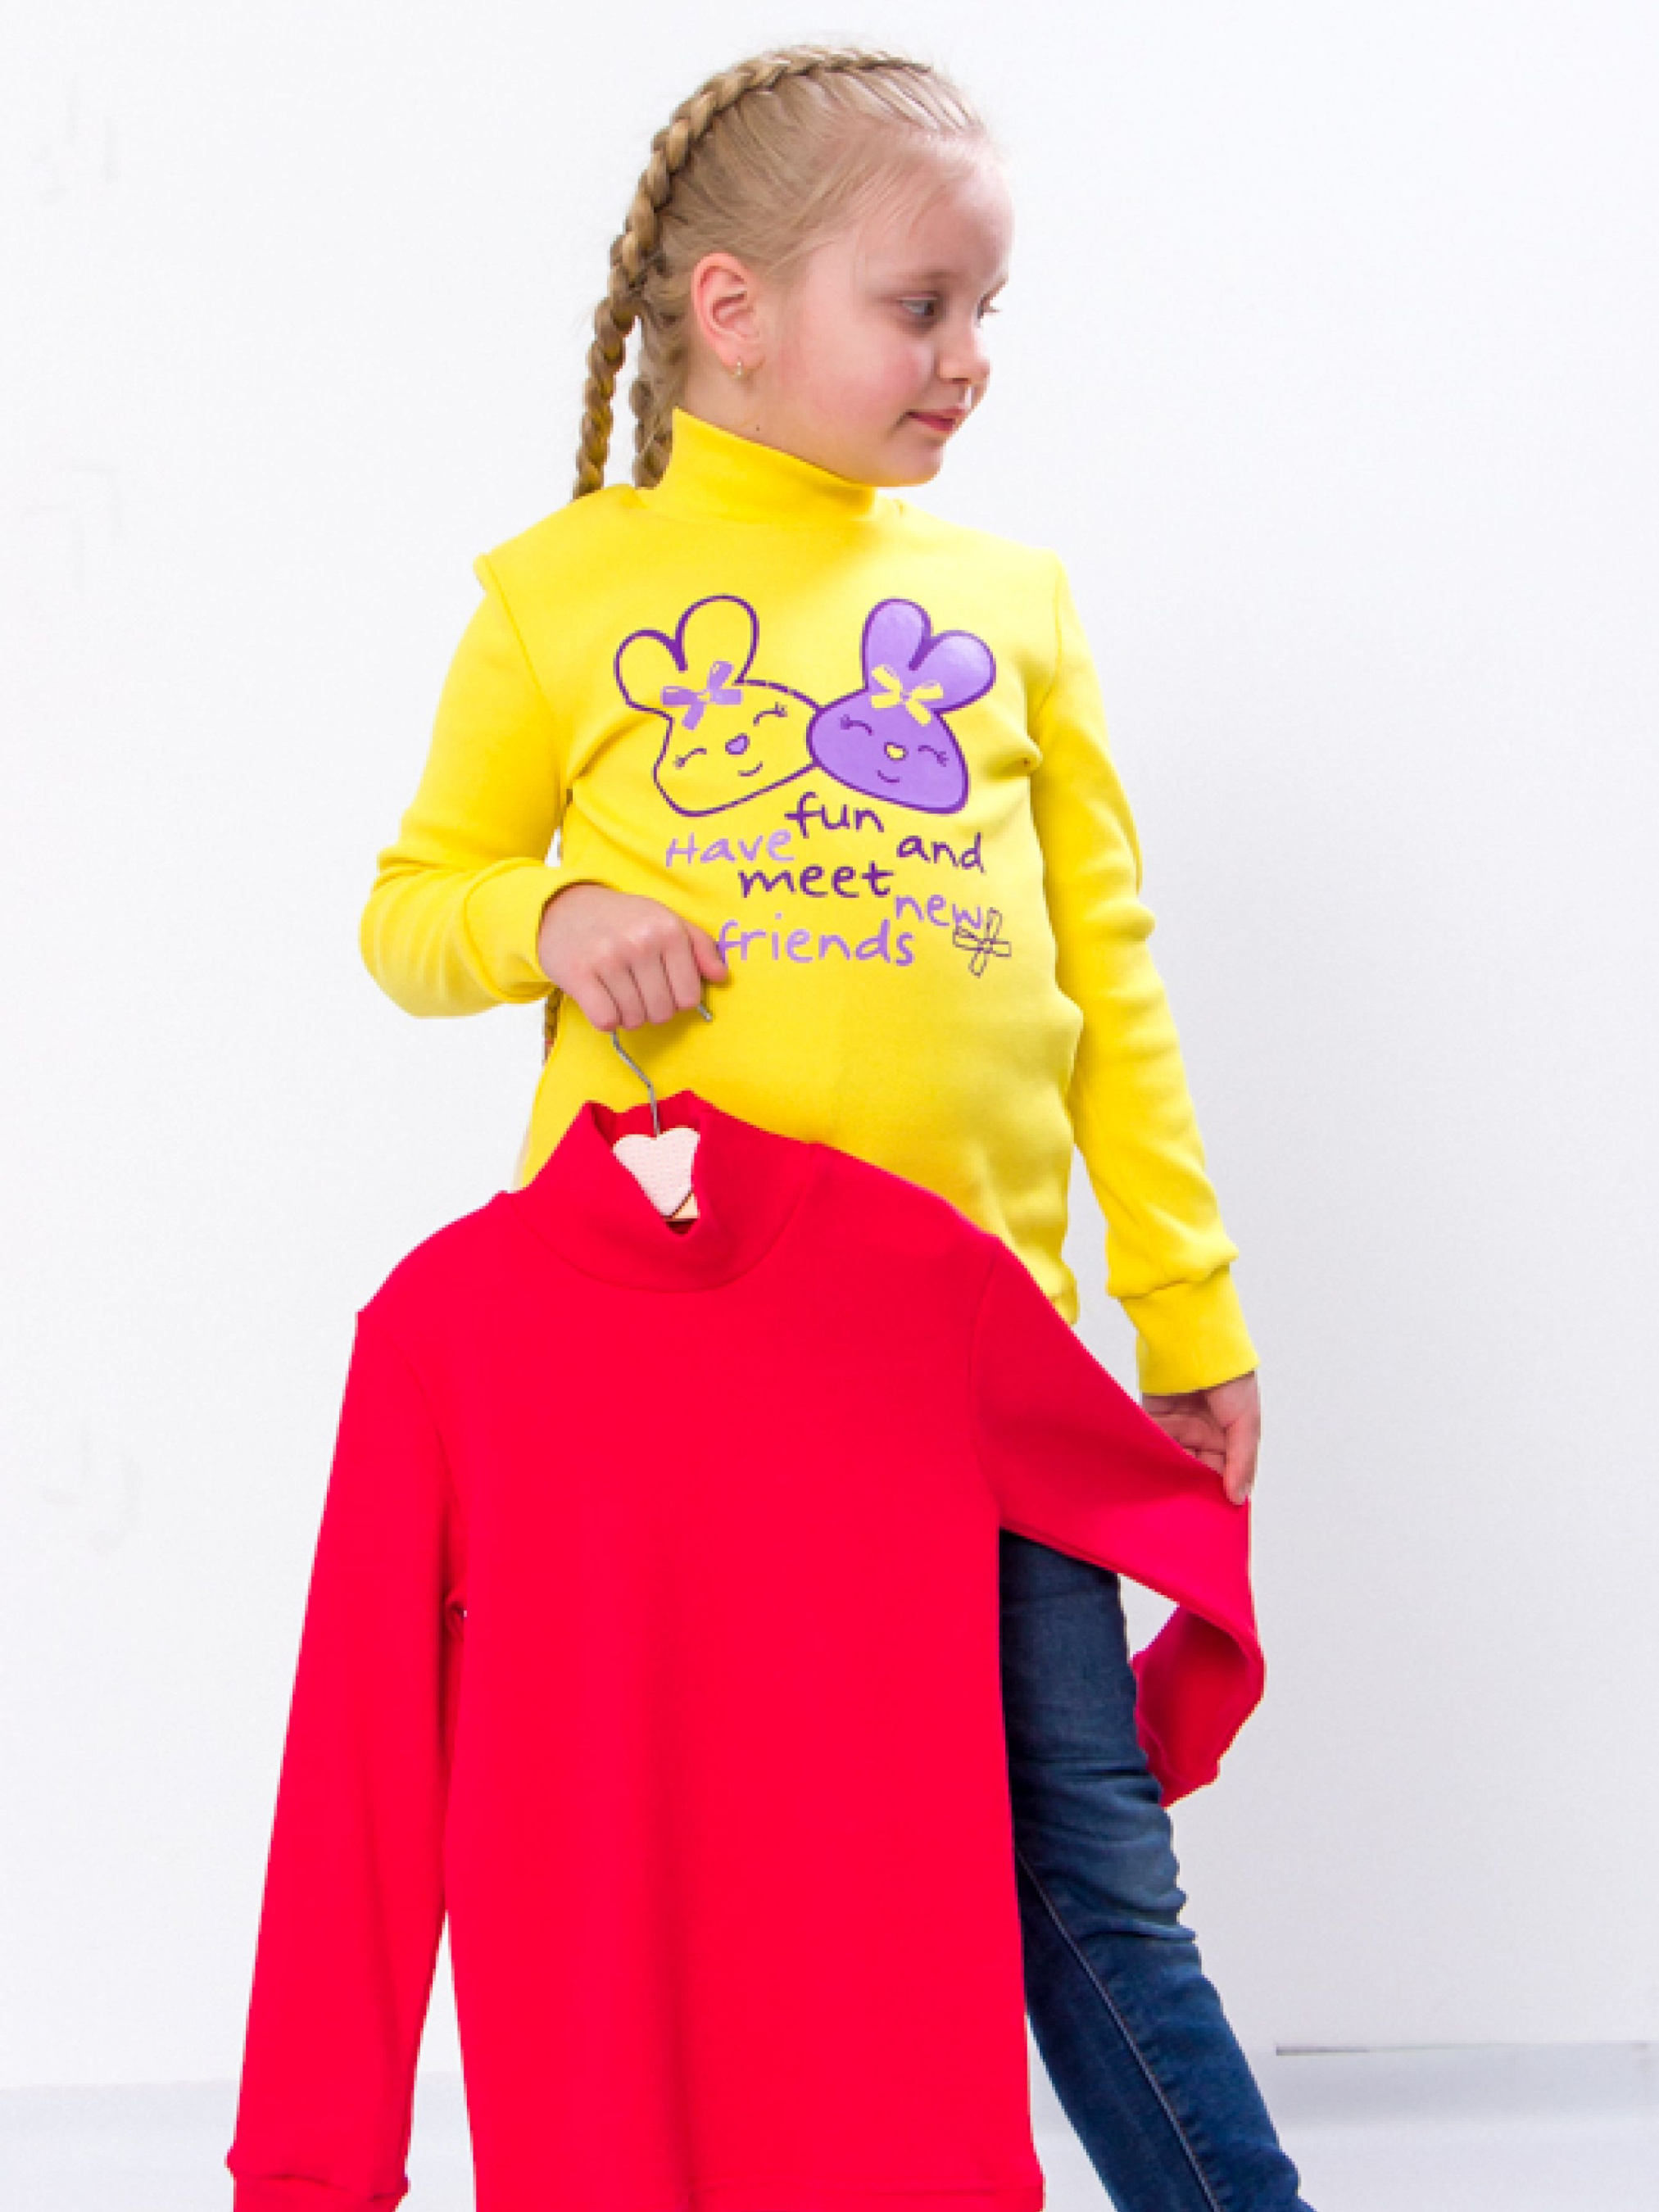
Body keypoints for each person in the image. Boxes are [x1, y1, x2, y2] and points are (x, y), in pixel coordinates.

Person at [360, 40, 1312, 2212]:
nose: (970, 357)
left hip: (979, 1372)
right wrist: (552, 914)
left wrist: (1184, 1310)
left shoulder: (1011, 608)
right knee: (721, 1885)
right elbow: (408, 912)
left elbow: (1107, 987)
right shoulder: (558, 596)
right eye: (922, 306)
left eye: (987, 311)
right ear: (734, 310)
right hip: (675, 1399)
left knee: (1086, 1866)